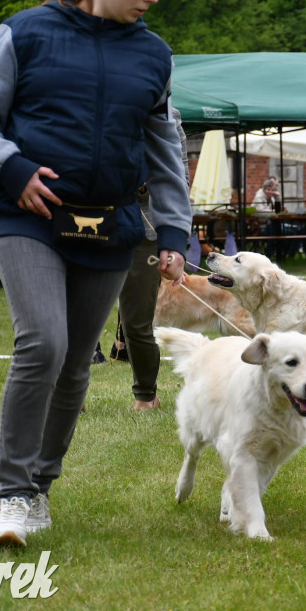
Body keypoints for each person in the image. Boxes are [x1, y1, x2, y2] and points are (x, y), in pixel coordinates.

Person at [0, 0, 190, 547]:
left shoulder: (154, 56)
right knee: (44, 342)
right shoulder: (25, 34)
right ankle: (10, 496)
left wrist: (172, 229)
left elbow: (165, 149)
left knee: (76, 365)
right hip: (27, 214)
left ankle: (38, 489)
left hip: (109, 226)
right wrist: (10, 168)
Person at [110, 107, 190, 412]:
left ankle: (146, 395)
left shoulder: (169, 117)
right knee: (73, 318)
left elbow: (177, 177)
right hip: (86, 219)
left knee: (136, 322)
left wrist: (176, 239)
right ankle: (69, 393)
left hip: (145, 228)